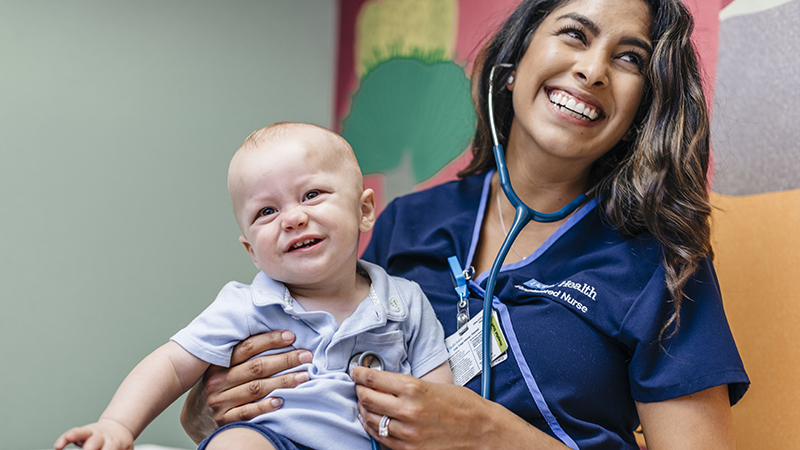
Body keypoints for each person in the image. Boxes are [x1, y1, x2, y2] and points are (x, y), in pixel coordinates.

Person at [180, 0, 750, 449]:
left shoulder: (663, 265)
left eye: (630, 58)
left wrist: (492, 437)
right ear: (513, 65)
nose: (592, 69)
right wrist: (213, 408)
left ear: (641, 107)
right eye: (574, 34)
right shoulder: (407, 221)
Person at [54, 122, 453, 450]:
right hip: (274, 437)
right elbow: (172, 365)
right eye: (266, 211)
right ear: (251, 251)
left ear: (364, 210)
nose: (292, 219)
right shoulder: (247, 306)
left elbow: (442, 400)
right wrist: (117, 425)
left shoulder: (405, 301)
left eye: (312, 194)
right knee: (236, 445)